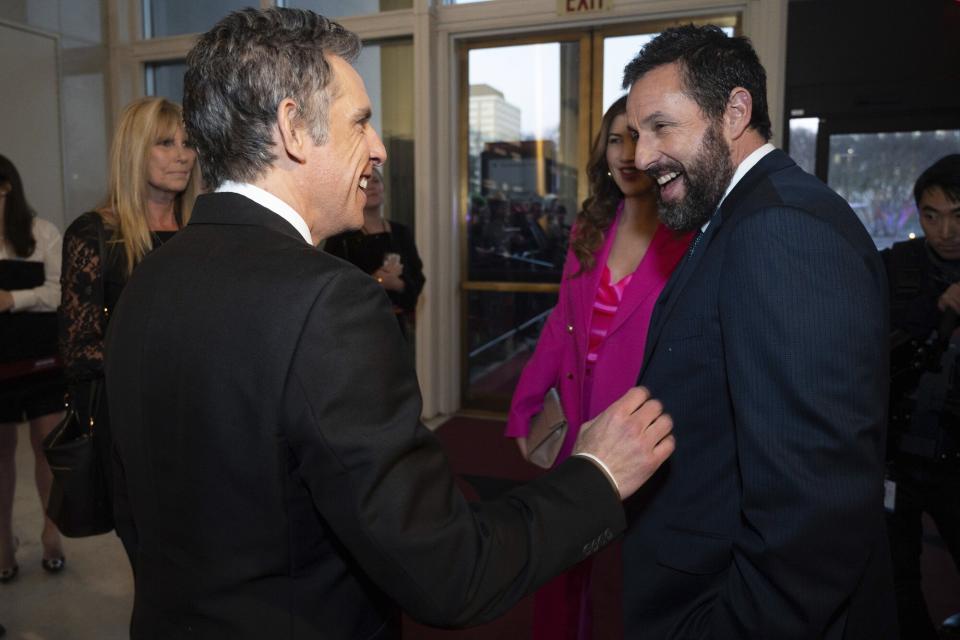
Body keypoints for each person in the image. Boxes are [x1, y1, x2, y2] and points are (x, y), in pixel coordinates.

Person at [103, 8, 675, 639]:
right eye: (360, 122)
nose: (378, 147)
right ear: (293, 128)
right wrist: (597, 474)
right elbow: (452, 571)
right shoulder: (327, 303)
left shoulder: (148, 279)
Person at [620, 24, 896, 638]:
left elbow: (813, 508)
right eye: (639, 134)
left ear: (735, 111)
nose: (640, 157)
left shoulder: (781, 231)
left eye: (661, 126)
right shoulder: (737, 220)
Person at [505, 96, 692, 639]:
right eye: (616, 139)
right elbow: (558, 327)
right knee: (565, 557)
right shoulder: (590, 228)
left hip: (639, 422)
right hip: (578, 416)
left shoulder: (686, 233)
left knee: (628, 570)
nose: (629, 153)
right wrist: (525, 408)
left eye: (639, 137)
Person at [59, 96, 196, 540]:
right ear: (135, 152)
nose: (182, 155)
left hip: (201, 418)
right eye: (165, 143)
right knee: (155, 564)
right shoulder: (94, 233)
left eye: (188, 143)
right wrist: (159, 360)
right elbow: (78, 350)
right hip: (133, 428)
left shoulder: (201, 233)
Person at [884, 154, 960, 640]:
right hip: (897, 453)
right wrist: (935, 310)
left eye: (957, 215)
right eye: (932, 216)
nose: (945, 230)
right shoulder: (896, 267)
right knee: (896, 582)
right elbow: (869, 343)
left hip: (956, 458)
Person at [0, 154, 66, 581]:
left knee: (50, 452)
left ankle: (52, 533)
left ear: (9, 189)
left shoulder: (42, 233)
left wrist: (12, 299)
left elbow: (59, 292)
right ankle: (3, 542)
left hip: (43, 362)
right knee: (1, 457)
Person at [324, 166, 425, 339]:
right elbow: (334, 289)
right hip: (358, 331)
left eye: (376, 181)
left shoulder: (401, 232)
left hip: (396, 329)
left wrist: (398, 284)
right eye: (365, 182)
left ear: (383, 188)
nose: (371, 186)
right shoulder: (341, 238)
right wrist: (377, 281)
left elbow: (417, 278)